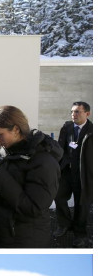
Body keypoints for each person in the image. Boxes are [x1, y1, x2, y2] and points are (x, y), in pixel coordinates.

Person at [0, 105, 62, 248]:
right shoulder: (11, 151)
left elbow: (33, 207)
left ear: (16, 129)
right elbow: (10, 184)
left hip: (26, 239)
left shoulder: (43, 162)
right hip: (6, 233)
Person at [55, 101, 93, 244]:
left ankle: (80, 233)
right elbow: (61, 148)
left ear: (87, 114)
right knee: (58, 196)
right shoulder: (67, 127)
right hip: (67, 171)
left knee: (81, 204)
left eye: (77, 111)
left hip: (84, 174)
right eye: (72, 111)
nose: (73, 114)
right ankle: (64, 224)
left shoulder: (92, 131)